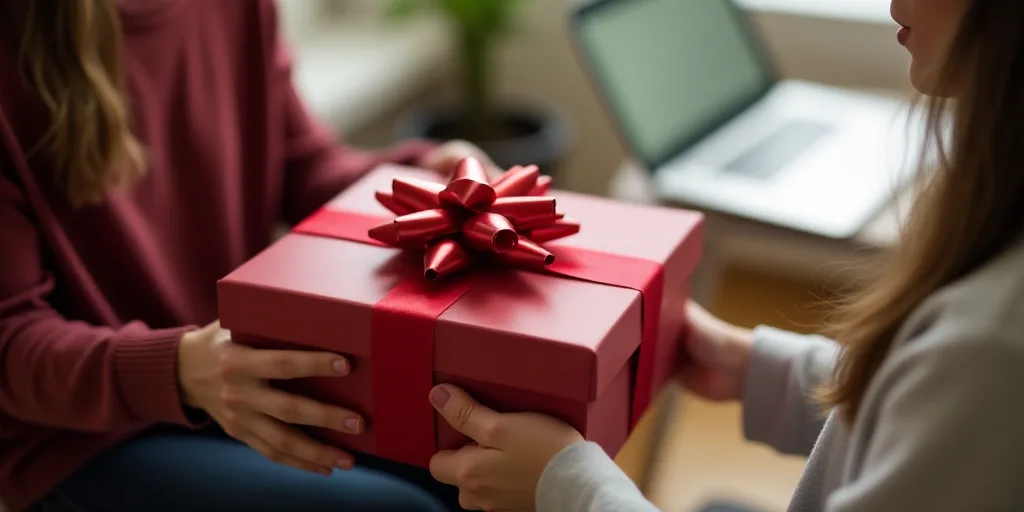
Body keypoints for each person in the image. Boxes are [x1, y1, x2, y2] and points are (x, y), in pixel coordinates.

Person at [426, 0, 1024, 510]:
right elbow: (930, 419)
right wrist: (760, 369)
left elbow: (954, 387)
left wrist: (565, 487)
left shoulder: (990, 346)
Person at [0, 1, 498, 511]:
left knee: (492, 462)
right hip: (82, 440)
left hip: (237, 372)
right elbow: (10, 339)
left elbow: (302, 167)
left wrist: (419, 181)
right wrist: (179, 369)